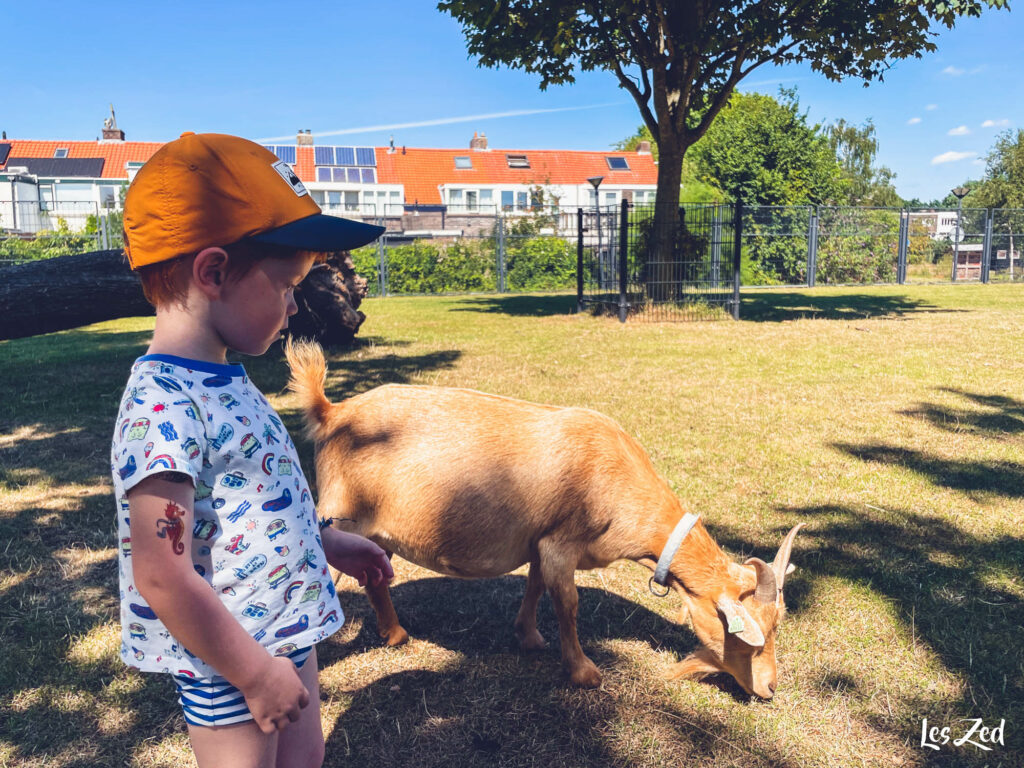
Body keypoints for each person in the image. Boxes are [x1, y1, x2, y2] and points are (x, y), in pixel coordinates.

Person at [110, 132, 394, 768]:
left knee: (305, 759)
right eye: (288, 285)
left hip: (284, 629)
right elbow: (162, 572)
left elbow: (245, 505)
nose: (295, 307)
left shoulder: (226, 380)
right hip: (230, 658)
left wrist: (320, 542)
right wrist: (253, 674)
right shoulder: (163, 406)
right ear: (213, 272)